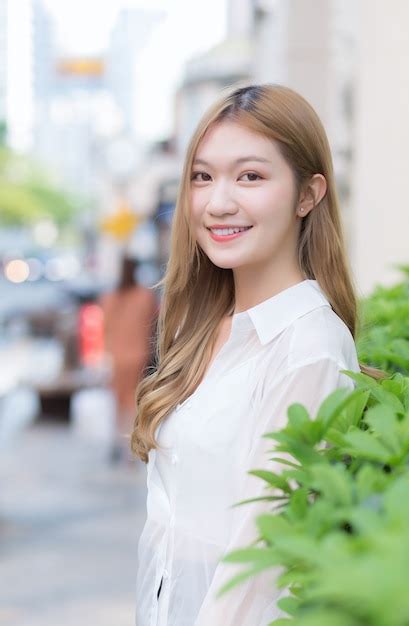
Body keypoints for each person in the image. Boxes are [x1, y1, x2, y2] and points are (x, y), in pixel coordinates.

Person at [131, 83, 380, 625]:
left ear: (307, 195)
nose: (218, 202)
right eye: (203, 176)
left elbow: (262, 557)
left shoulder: (308, 347)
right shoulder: (204, 331)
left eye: (251, 176)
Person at [100, 255, 158, 463]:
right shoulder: (145, 296)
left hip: (115, 356)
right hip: (138, 355)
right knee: (134, 402)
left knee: (117, 402)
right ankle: (130, 450)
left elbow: (105, 327)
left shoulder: (110, 297)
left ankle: (117, 442)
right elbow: (154, 324)